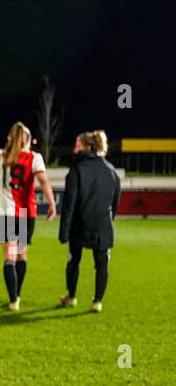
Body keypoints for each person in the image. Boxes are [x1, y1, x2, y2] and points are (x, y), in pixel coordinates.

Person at [0, 122, 57, 311]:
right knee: (21, 255)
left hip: (7, 213)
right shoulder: (34, 158)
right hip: (25, 213)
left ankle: (13, 300)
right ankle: (18, 295)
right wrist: (52, 203)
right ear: (27, 140)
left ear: (10, 139)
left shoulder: (3, 156)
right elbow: (43, 180)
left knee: (9, 257)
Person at [58, 130, 120, 313]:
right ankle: (97, 301)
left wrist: (64, 232)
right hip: (103, 225)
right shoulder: (111, 170)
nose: (74, 149)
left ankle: (71, 297)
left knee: (73, 260)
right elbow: (115, 202)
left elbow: (69, 204)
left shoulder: (76, 169)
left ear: (87, 147)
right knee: (102, 263)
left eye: (77, 145)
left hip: (80, 225)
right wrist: (109, 220)